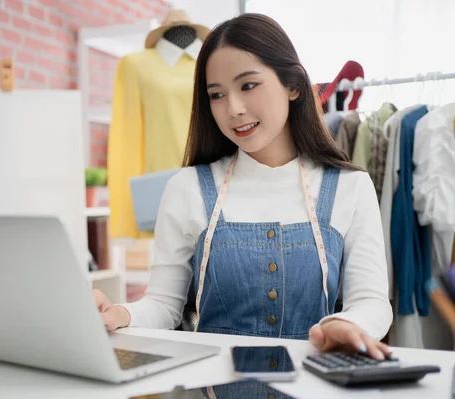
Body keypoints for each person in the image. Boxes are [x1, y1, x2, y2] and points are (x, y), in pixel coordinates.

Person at [94, 13, 393, 360]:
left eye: (248, 86)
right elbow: (164, 305)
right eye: (217, 94)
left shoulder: (350, 186)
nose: (233, 109)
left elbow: (372, 302)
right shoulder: (187, 187)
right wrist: (119, 314)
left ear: (293, 85)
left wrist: (347, 324)